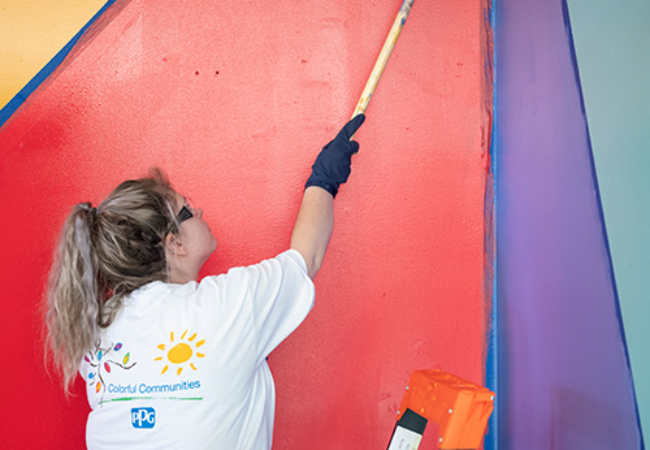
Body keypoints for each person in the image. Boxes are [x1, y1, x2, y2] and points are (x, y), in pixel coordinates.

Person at [45, 114, 366, 449]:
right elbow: (306, 258)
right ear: (174, 244)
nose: (199, 212)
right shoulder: (224, 305)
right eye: (188, 209)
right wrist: (324, 180)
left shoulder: (98, 325)